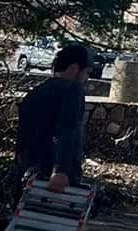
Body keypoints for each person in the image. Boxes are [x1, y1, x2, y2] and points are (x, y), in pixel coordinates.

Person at [12, 41, 91, 201]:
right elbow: (67, 129)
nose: (86, 78)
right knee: (56, 223)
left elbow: (23, 138)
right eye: (87, 73)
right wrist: (61, 170)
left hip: (27, 171)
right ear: (74, 68)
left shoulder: (35, 93)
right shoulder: (72, 90)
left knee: (26, 221)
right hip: (54, 178)